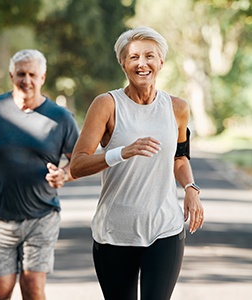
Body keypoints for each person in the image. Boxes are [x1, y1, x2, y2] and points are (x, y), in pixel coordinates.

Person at [70, 27, 204, 300]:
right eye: (133, 57)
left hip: (164, 228)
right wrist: (122, 152)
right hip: (114, 232)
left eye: (149, 56)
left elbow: (179, 156)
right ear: (123, 63)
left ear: (161, 62)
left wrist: (190, 187)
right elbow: (77, 165)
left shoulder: (177, 108)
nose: (142, 64)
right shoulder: (106, 105)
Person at [0, 49, 79, 300]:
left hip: (42, 214)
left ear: (43, 77)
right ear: (11, 75)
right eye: (21, 74)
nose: (27, 80)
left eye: (32, 74)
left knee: (33, 287)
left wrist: (64, 175)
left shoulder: (61, 118)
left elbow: (78, 162)